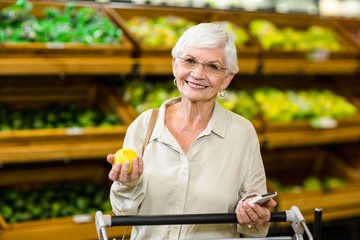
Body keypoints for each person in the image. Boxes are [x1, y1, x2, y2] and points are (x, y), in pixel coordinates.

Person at [107, 22, 277, 239]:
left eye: (213, 66)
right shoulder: (144, 125)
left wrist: (253, 215)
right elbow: (124, 211)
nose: (198, 73)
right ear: (175, 65)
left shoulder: (242, 133)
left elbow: (257, 221)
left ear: (227, 79)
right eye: (189, 61)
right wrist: (127, 183)